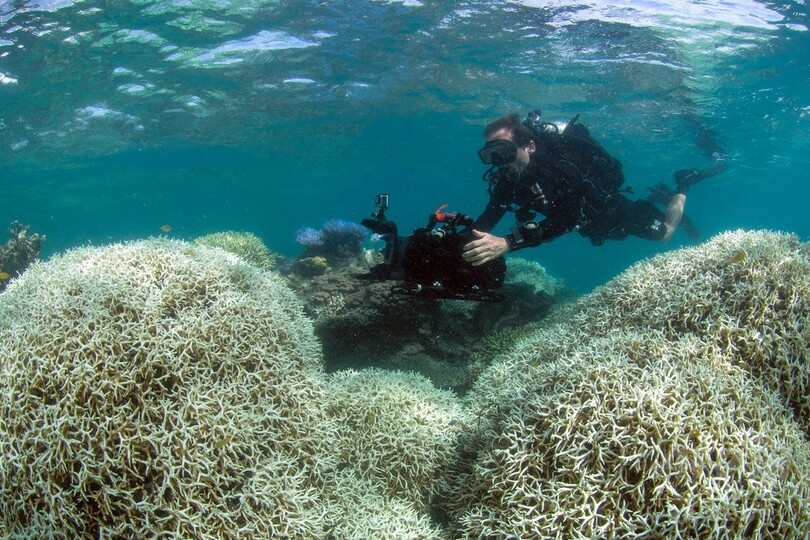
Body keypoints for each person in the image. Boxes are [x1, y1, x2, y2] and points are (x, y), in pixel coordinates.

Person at [462, 112, 725, 266]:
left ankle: (684, 182)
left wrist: (509, 242)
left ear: (529, 146)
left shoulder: (562, 168)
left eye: (504, 151)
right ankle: (658, 196)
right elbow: (490, 215)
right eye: (491, 154)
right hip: (587, 223)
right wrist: (463, 239)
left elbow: (568, 219)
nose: (499, 162)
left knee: (665, 234)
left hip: (610, 211)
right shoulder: (510, 175)